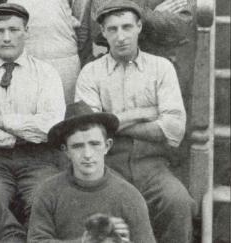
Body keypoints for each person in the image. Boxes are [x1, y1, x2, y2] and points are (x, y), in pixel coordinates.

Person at [75, 1, 195, 242]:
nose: (121, 37)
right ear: (104, 33)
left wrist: (111, 122)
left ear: (139, 27)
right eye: (113, 29)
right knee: (97, 213)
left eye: (127, 27)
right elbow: (89, 130)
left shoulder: (161, 68)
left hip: (153, 166)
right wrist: (144, 113)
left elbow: (173, 128)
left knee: (179, 201)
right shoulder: (91, 73)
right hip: (108, 168)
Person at [0, 3, 66, 221]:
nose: (6, 38)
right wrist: (18, 136)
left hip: (39, 160)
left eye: (14, 30)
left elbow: (51, 127)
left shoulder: (46, 74)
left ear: (26, 32)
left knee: (44, 203)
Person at [28, 101, 156, 243]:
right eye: (77, 146)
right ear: (66, 151)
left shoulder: (129, 196)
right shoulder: (48, 191)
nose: (87, 154)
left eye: (94, 144)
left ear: (107, 146)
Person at [83, 0, 192, 62]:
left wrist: (125, 17)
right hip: (119, 66)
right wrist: (150, 17)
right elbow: (99, 30)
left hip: (162, 65)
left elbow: (180, 27)